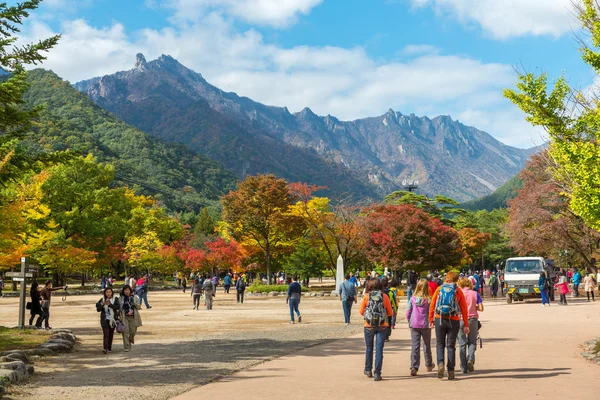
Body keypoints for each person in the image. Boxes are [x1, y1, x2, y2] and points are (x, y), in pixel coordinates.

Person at [429, 271, 469, 381]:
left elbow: (432, 304)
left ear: (446, 278)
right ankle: (451, 371)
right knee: (451, 345)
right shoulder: (457, 290)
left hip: (439, 318)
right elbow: (464, 308)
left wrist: (431, 319)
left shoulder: (439, 289)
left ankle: (440, 364)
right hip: (454, 320)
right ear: (456, 280)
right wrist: (466, 324)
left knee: (440, 343)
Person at [359, 278, 393, 381]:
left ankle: (368, 369)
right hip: (382, 325)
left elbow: (361, 312)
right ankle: (377, 373)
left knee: (369, 348)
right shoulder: (385, 296)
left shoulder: (366, 297)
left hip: (368, 325)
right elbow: (390, 312)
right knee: (379, 349)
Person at [406, 279, 434, 376]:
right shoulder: (429, 300)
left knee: (415, 346)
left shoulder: (412, 299)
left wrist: (409, 320)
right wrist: (431, 321)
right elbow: (431, 313)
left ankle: (414, 366)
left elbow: (408, 312)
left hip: (414, 324)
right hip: (425, 325)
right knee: (427, 345)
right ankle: (429, 364)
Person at [457, 278, 483, 374]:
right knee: (472, 341)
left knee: (462, 343)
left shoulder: (458, 293)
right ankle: (470, 359)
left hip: (460, 319)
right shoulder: (475, 293)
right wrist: (473, 307)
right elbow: (481, 308)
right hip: (472, 319)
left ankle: (463, 367)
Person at [96, 287, 120, 354]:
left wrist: (110, 305)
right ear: (105, 293)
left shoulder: (115, 299)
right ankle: (105, 348)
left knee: (111, 334)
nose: (108, 293)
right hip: (104, 319)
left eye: (109, 292)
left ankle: (109, 347)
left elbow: (117, 307)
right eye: (107, 292)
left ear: (112, 292)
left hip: (113, 319)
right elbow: (98, 309)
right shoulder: (102, 299)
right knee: (106, 334)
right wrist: (102, 304)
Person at [120, 285, 142, 352]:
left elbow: (139, 307)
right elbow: (119, 308)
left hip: (133, 317)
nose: (127, 291)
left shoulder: (135, 297)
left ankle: (131, 339)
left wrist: (134, 302)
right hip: (125, 316)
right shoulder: (121, 298)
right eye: (125, 290)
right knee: (125, 332)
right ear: (123, 291)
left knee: (132, 332)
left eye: (128, 290)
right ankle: (126, 346)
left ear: (130, 291)